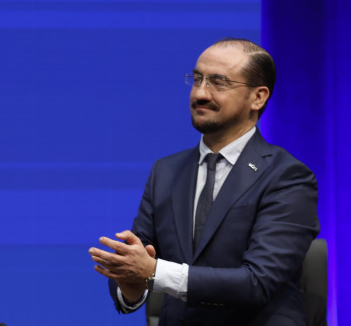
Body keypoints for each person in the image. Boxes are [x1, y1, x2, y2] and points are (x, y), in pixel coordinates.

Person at [89, 38, 319, 325]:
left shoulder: (288, 176)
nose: (200, 93)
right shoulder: (167, 171)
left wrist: (153, 272)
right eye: (197, 79)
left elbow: (258, 282)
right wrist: (130, 282)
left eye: (218, 83)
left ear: (258, 97)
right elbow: (141, 258)